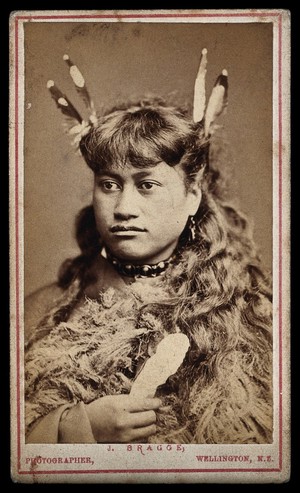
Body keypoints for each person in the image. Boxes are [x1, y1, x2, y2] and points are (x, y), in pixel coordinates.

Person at [24, 50, 273, 444]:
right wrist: (76, 425)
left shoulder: (254, 315)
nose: (123, 208)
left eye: (147, 185)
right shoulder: (42, 313)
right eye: (109, 185)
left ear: (192, 195)